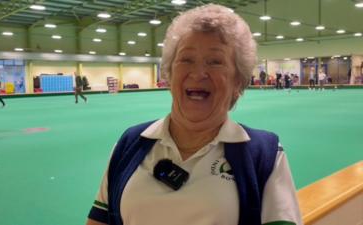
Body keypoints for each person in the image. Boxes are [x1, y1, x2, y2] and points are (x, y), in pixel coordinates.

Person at [86, 4, 302, 225]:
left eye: (215, 62)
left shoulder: (264, 154)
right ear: (169, 74)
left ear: (238, 81)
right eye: (186, 59)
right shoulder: (130, 143)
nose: (198, 73)